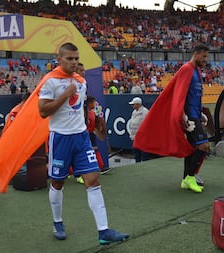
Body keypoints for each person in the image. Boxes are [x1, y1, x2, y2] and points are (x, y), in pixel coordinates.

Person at [38, 42, 129, 245]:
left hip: (80, 138)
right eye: (69, 58)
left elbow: (79, 109)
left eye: (76, 58)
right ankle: (58, 222)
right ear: (59, 60)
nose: (74, 62)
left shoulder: (80, 81)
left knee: (93, 180)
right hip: (60, 138)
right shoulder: (50, 81)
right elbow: (43, 111)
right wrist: (64, 94)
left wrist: (93, 125)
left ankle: (103, 231)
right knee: (58, 182)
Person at [134, 44, 210, 193]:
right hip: (190, 118)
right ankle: (190, 177)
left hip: (195, 115)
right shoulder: (187, 69)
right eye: (204, 56)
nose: (205, 60)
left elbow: (193, 97)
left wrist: (200, 113)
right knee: (203, 146)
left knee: (193, 148)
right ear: (196, 54)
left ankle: (186, 179)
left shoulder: (196, 72)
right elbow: (178, 95)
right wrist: (183, 115)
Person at [128, 97, 149, 162]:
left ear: (138, 104)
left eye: (133, 104)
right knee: (136, 153)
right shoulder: (134, 112)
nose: (132, 105)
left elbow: (147, 124)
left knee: (144, 153)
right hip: (134, 137)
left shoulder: (145, 112)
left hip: (142, 137)